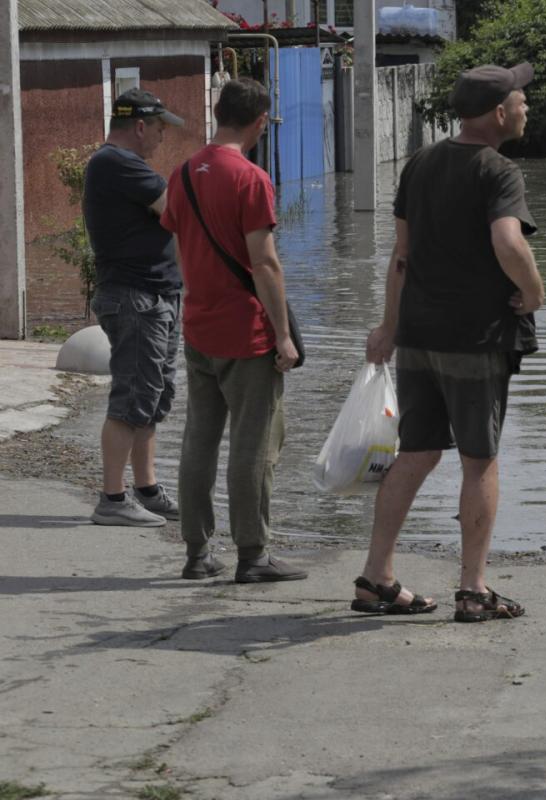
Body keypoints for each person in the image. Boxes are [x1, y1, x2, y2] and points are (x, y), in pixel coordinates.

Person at [357, 63, 544, 621]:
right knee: (479, 462)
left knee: (414, 454)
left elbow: (400, 257)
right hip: (474, 339)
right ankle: (473, 589)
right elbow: (508, 241)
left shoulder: (419, 164)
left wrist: (389, 328)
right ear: (497, 112)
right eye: (520, 99)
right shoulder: (498, 170)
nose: (526, 106)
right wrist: (533, 291)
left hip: (418, 336)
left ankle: (376, 576)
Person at [160, 78, 307, 583]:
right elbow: (265, 264)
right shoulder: (250, 178)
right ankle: (253, 554)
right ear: (260, 122)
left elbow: (179, 249)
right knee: (254, 444)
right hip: (246, 333)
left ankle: (197, 553)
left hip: (198, 327)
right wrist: (283, 335)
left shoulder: (182, 174)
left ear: (218, 112)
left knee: (198, 439)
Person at [83, 88, 185, 527]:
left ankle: (145, 488)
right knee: (132, 396)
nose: (164, 136)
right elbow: (176, 212)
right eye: (161, 127)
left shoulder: (122, 165)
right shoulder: (117, 163)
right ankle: (112, 497)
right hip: (135, 297)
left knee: (154, 394)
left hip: (153, 295)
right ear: (140, 126)